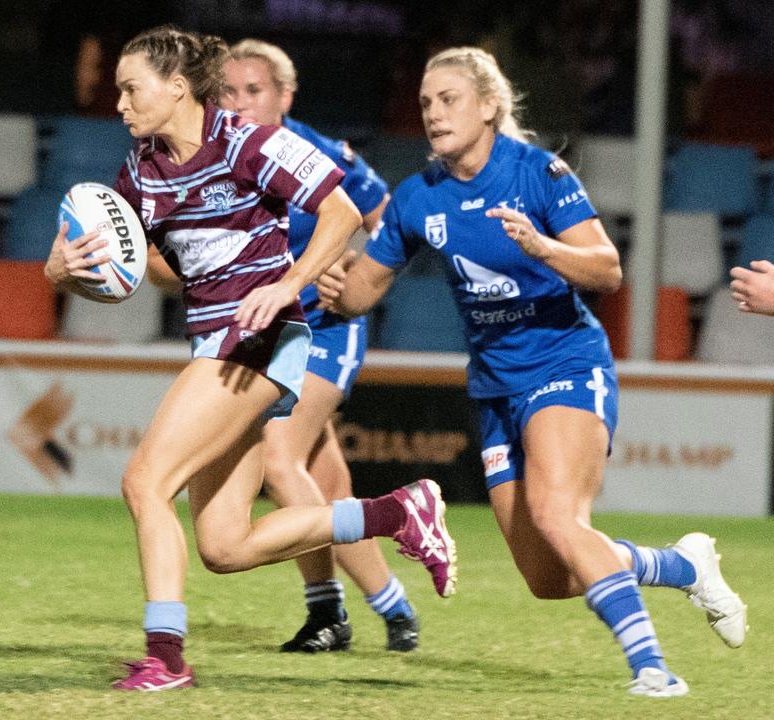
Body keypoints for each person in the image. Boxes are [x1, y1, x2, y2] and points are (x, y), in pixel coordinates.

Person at [317, 46, 747, 698]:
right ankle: (681, 564)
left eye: (449, 99)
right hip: (495, 389)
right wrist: (329, 280)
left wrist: (543, 247)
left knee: (555, 513)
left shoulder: (536, 174)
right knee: (549, 576)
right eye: (427, 101)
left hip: (565, 363)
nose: (433, 112)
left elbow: (606, 268)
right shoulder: (416, 198)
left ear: (490, 106)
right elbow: (360, 292)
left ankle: (653, 670)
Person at [44, 25, 456, 692]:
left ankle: (166, 658)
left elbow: (343, 211)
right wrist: (64, 269)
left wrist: (286, 285)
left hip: (262, 339)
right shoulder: (140, 173)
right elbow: (139, 272)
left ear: (177, 87)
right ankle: (397, 513)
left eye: (130, 89)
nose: (118, 104)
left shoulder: (247, 141)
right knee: (224, 545)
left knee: (145, 482)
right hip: (219, 341)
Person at [220, 38, 422, 654]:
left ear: (286, 95)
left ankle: (347, 608)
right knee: (321, 486)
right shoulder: (218, 155)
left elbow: (388, 215)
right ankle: (377, 612)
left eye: (253, 90)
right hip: (268, 335)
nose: (239, 102)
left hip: (326, 327)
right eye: (227, 91)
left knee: (278, 459)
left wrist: (361, 266)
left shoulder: (317, 153)